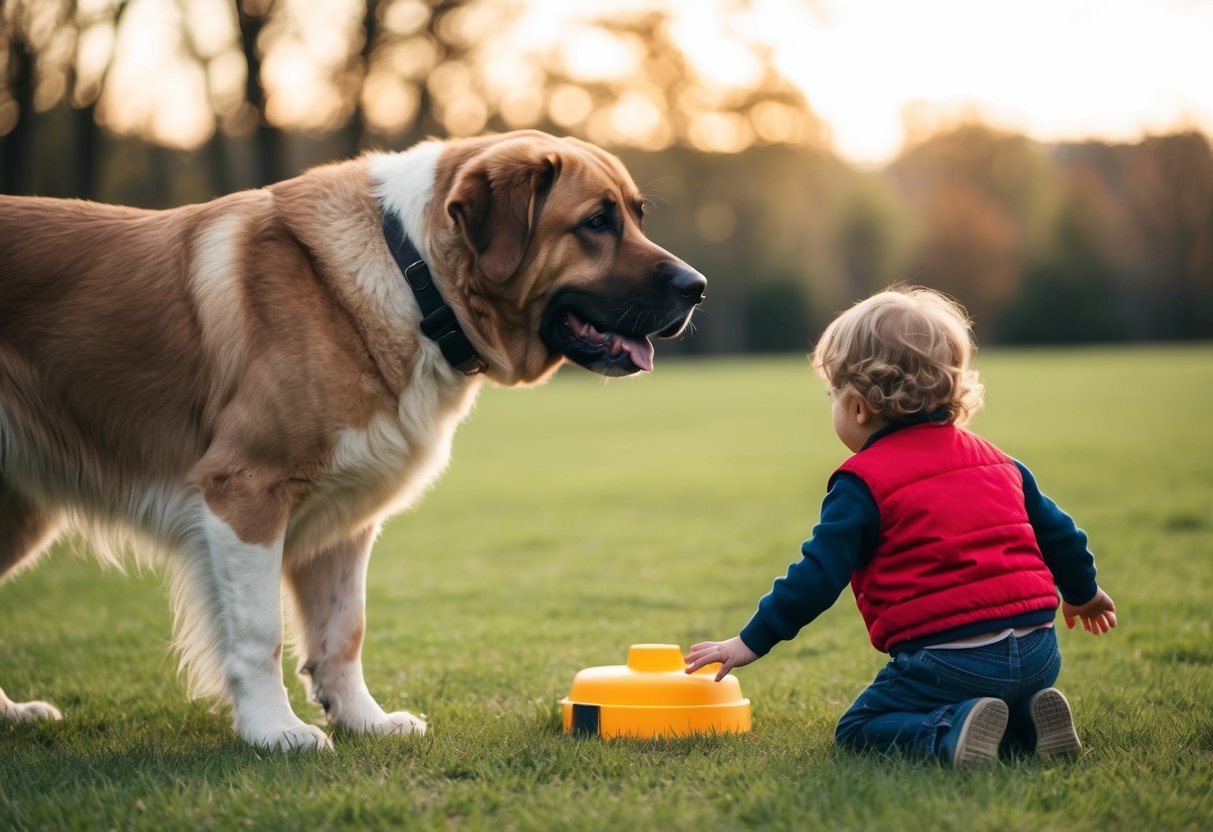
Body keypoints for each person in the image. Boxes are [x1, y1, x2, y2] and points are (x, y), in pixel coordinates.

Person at [684, 286, 1117, 767]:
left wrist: (750, 641)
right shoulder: (1000, 462)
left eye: (833, 393)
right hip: (1040, 651)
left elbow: (818, 574)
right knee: (1000, 689)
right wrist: (1084, 594)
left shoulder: (862, 482)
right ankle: (1028, 721)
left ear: (859, 407)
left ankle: (949, 731)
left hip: (952, 661)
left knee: (858, 729)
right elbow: (1061, 535)